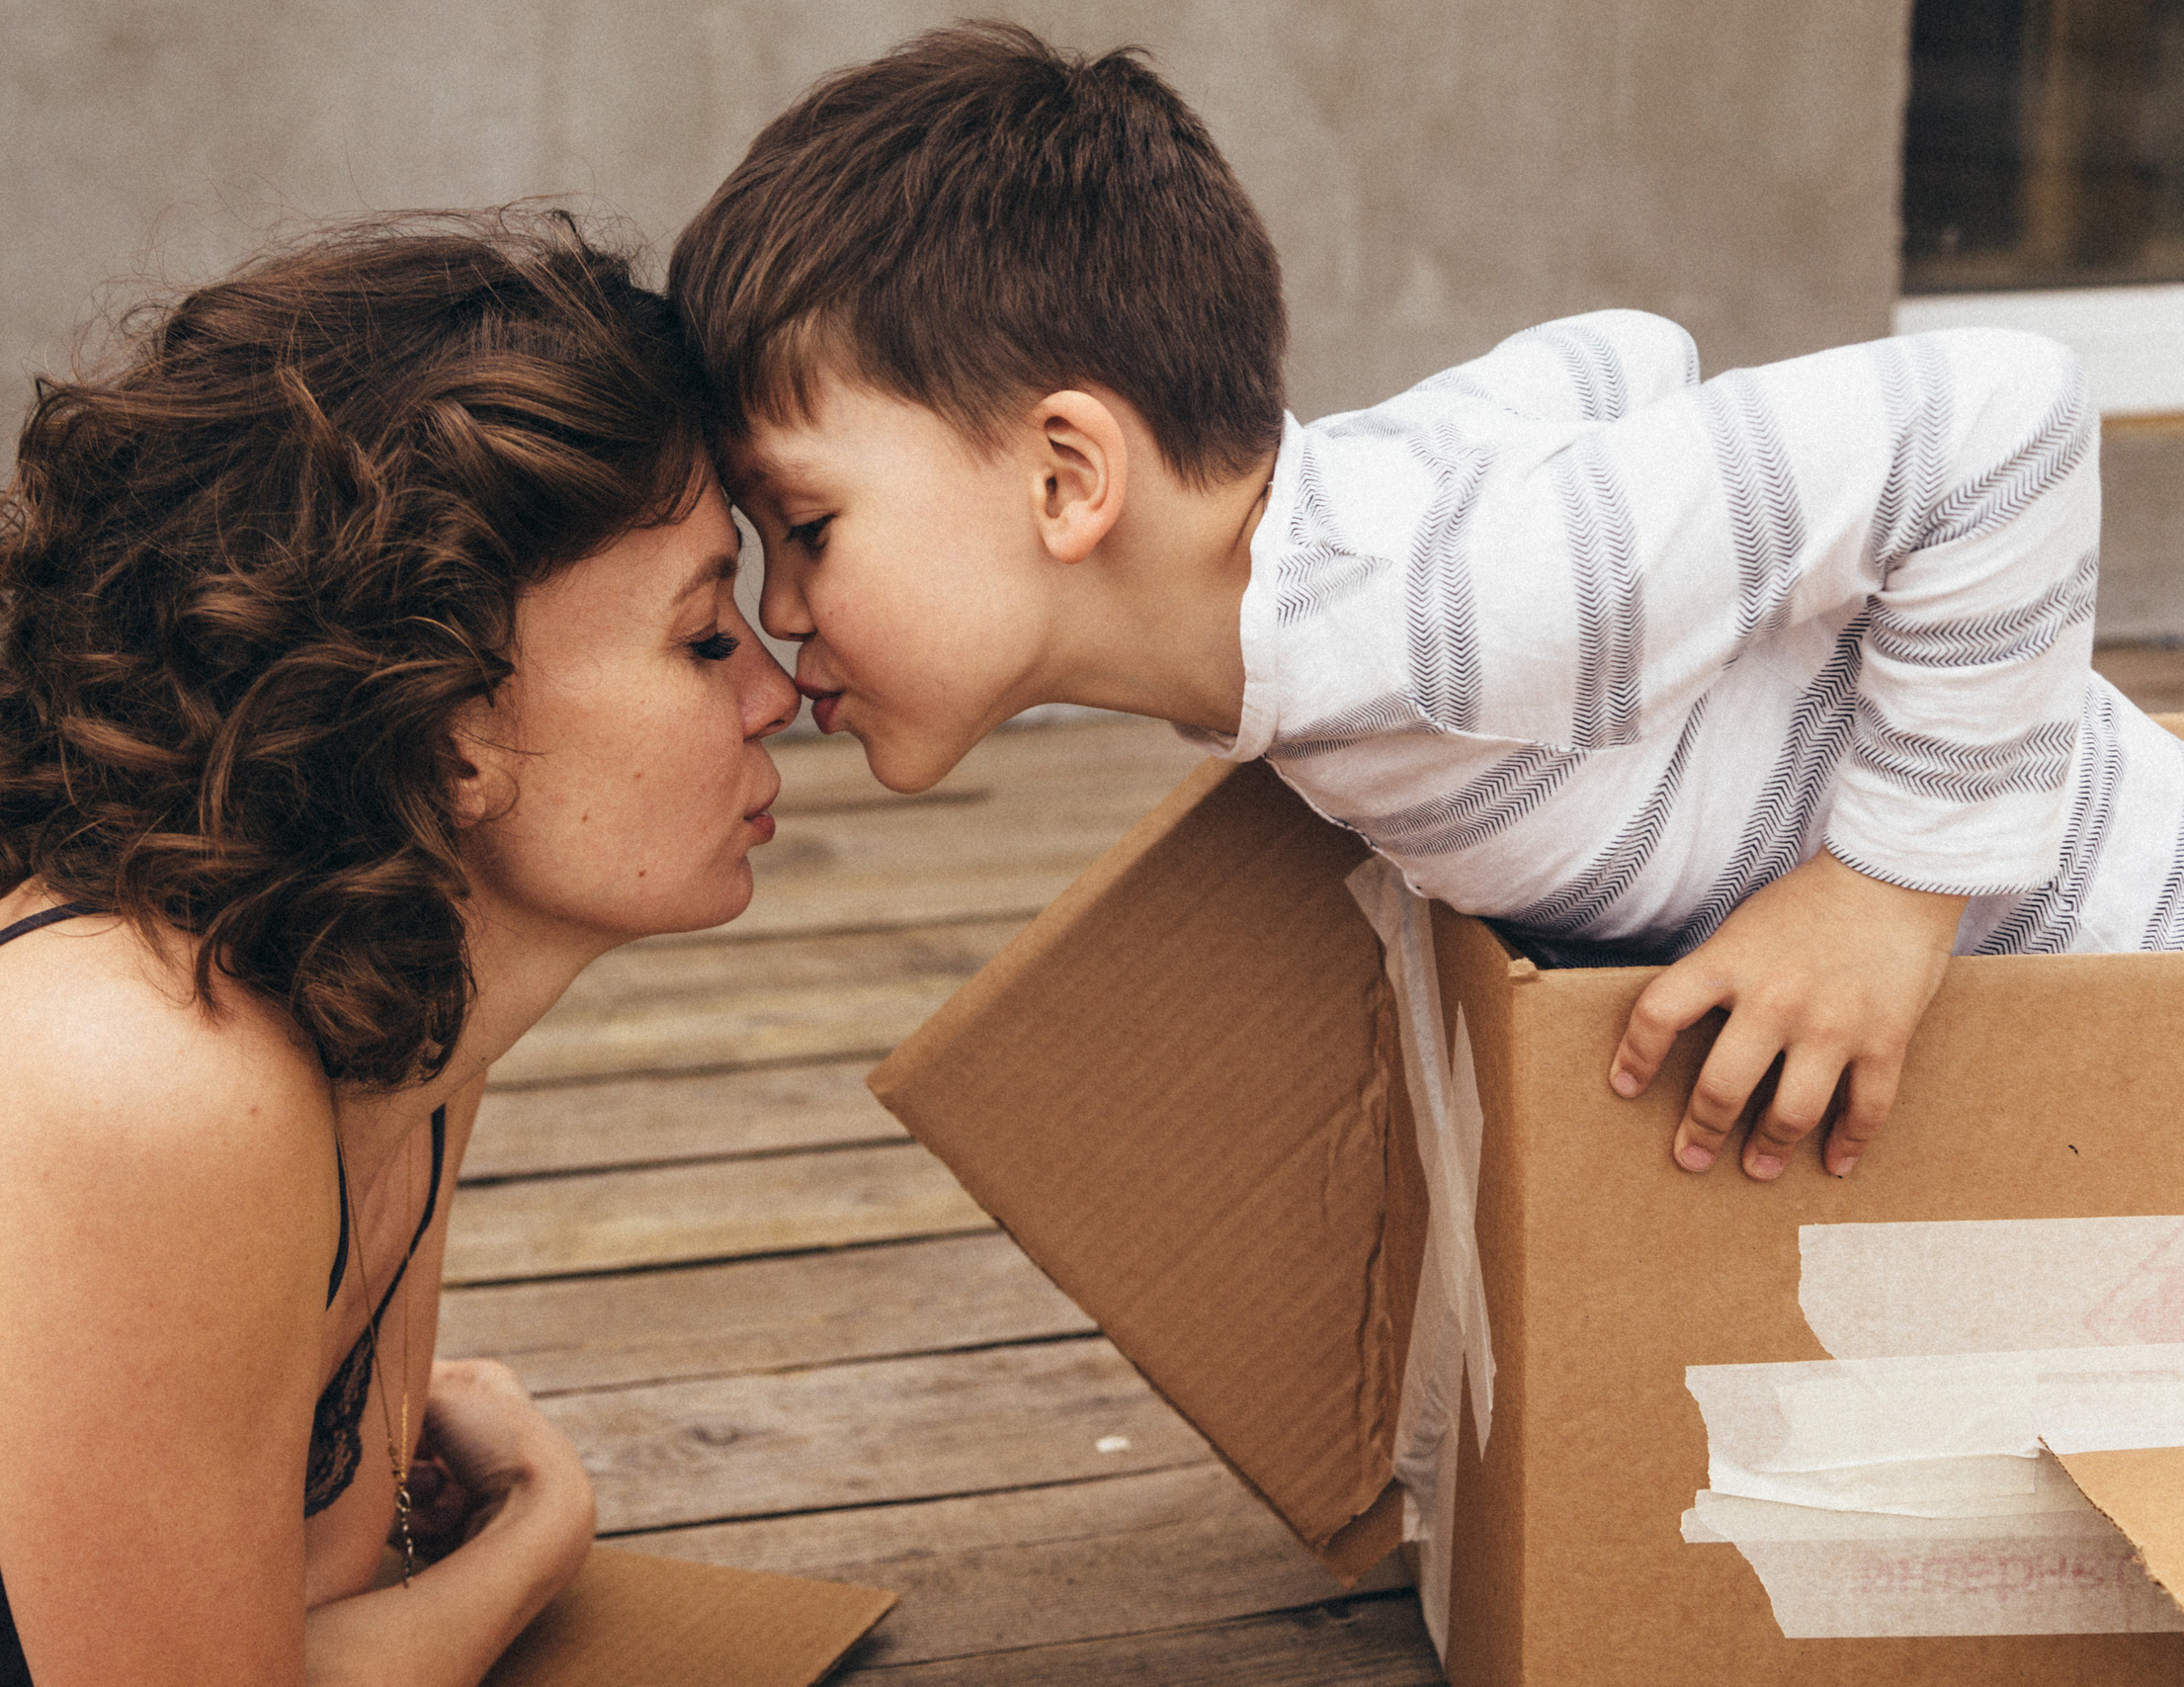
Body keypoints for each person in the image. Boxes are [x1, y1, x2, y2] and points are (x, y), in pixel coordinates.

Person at [666, 22, 2184, 1188]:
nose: (777, 608)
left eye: (804, 527)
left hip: (2135, 954)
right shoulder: (1348, 562)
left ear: (1068, 476)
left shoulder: (1457, 613)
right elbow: (1625, 350)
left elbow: (2004, 416)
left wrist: (1882, 894)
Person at [0, 210, 798, 1686]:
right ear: (451, 729)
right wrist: (542, 1529)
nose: (778, 693)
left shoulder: (397, 996)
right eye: (706, 639)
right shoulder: (147, 1076)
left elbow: (327, 1576)